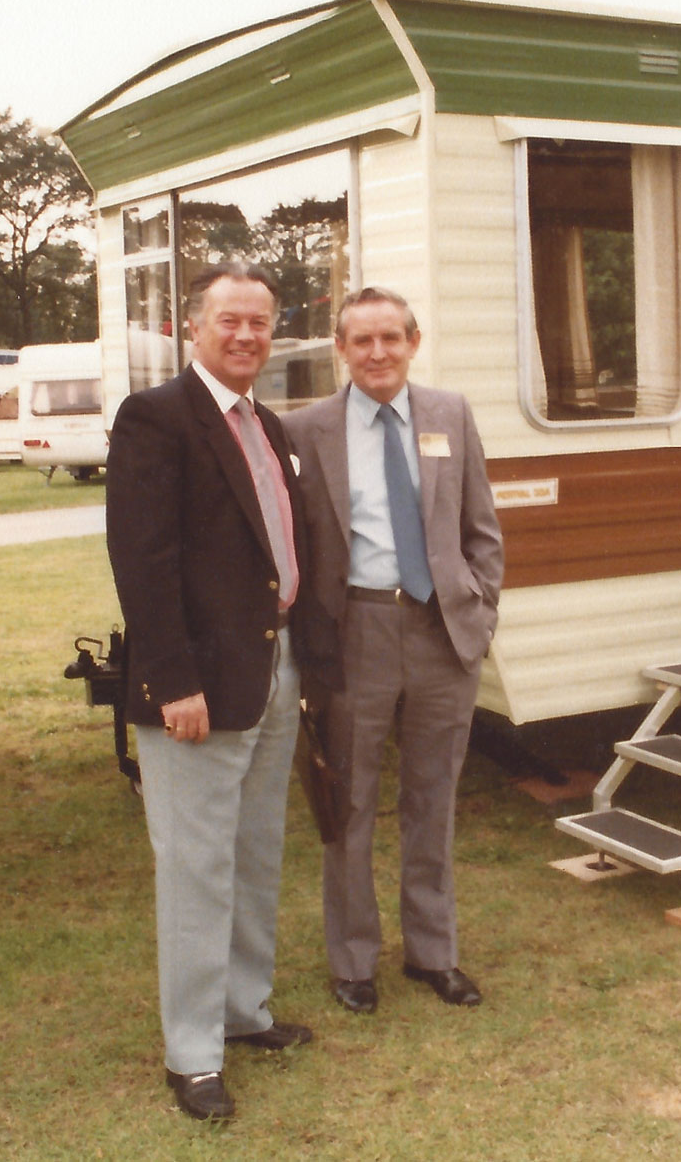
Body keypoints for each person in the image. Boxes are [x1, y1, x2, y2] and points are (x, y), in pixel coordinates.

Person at [105, 262, 312, 1123]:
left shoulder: (267, 423)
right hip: (196, 684)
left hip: (273, 668)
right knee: (195, 869)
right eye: (229, 320)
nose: (246, 335)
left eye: (260, 322)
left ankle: (243, 1009)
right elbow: (142, 560)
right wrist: (172, 680)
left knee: (256, 850)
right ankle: (192, 1051)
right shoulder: (156, 419)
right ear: (192, 328)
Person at [285, 286, 504, 1014]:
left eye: (391, 337)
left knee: (433, 799)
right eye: (361, 340)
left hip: (442, 633)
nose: (377, 352)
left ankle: (432, 953)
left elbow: (481, 527)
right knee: (346, 802)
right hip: (355, 635)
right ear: (340, 349)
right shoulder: (305, 429)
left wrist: (481, 610)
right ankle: (353, 960)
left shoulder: (450, 413)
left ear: (414, 341)